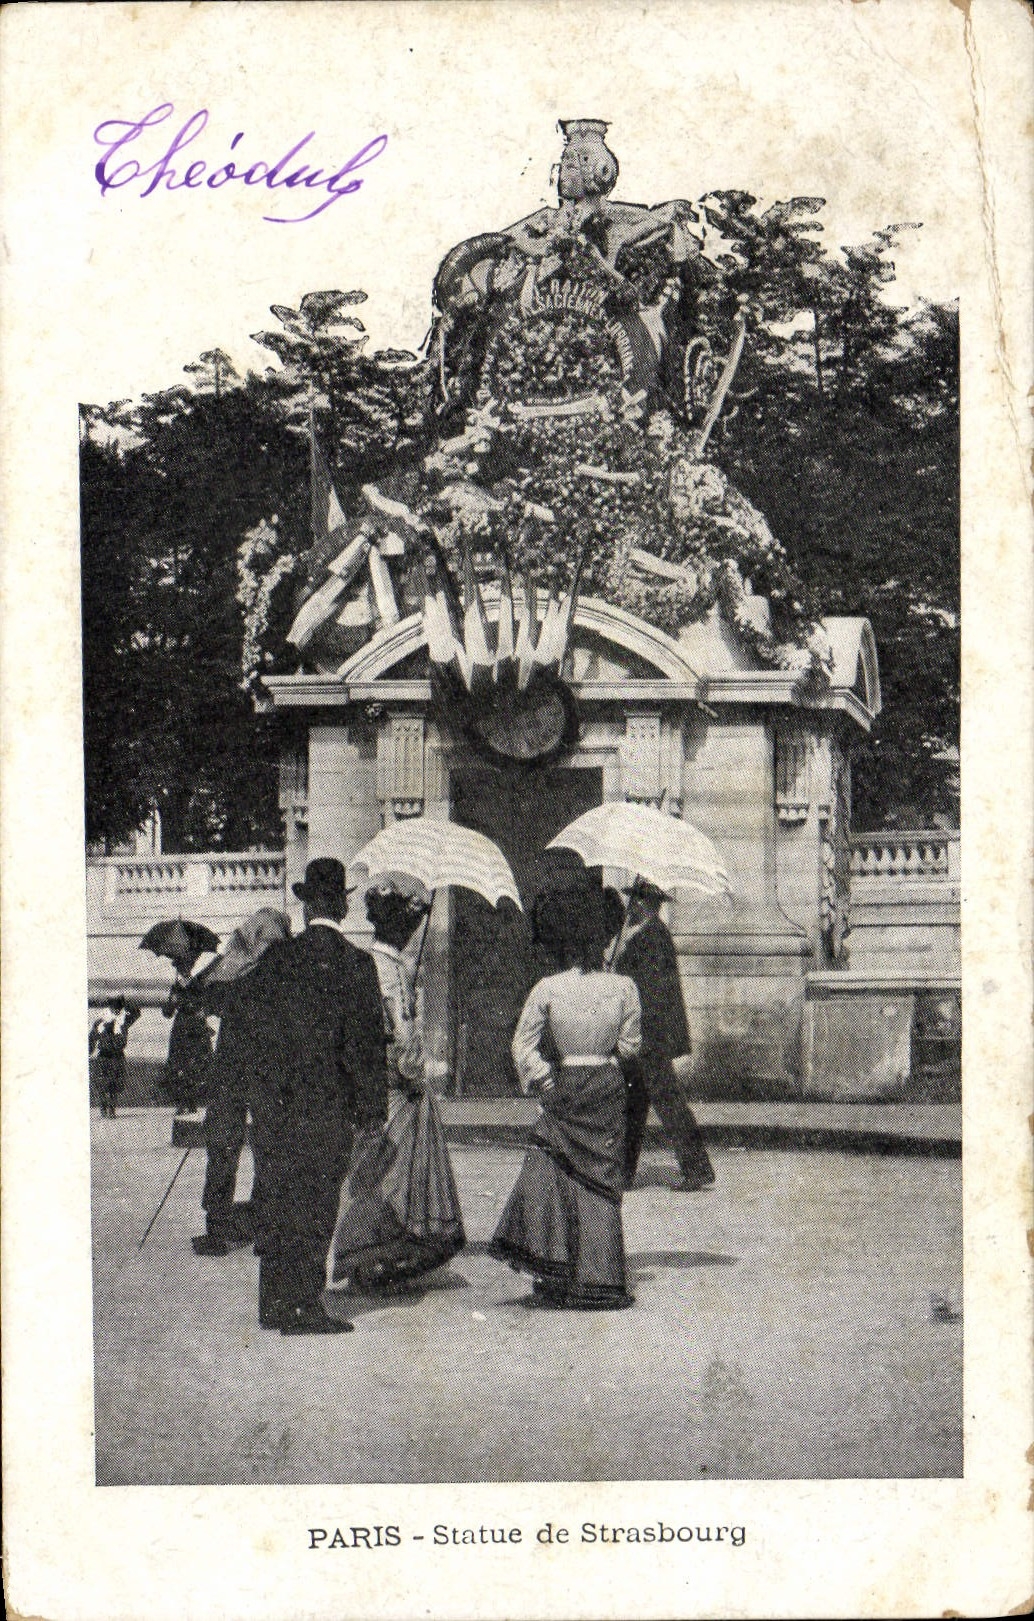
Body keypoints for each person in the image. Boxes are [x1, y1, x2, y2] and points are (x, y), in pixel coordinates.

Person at [246, 858, 388, 1335]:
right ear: (343, 905)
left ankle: (272, 1303)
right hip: (327, 1103)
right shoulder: (356, 964)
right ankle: (305, 1304)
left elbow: (254, 1032)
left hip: (275, 1102)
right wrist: (372, 1108)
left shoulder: (275, 960)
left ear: (307, 906)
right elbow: (365, 1046)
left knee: (277, 1193)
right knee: (315, 1201)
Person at [490, 885, 642, 1310]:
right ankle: (599, 1274)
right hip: (606, 1086)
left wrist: (544, 1080)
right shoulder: (625, 988)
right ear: (606, 936)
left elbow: (523, 1045)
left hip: (567, 1082)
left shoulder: (548, 987)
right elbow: (630, 1047)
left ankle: (557, 1267)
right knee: (601, 1182)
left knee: (559, 1173)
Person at [190, 908, 292, 1257]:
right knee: (265, 1145)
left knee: (225, 1146)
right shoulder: (281, 973)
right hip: (264, 1069)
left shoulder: (230, 968)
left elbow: (204, 999)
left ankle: (218, 1226)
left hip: (234, 1069)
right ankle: (261, 1225)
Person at [613, 875, 715, 1192]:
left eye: (637, 900)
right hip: (647, 1036)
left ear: (646, 904)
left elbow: (650, 993)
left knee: (667, 1103)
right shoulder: (644, 934)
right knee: (635, 1104)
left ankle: (696, 1169)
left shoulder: (652, 936)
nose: (631, 905)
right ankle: (624, 1173)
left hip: (650, 1037)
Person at [363, 883, 432, 1094]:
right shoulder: (387, 966)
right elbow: (401, 1031)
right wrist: (418, 1067)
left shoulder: (380, 960)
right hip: (392, 1080)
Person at [160, 952, 214, 1115]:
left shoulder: (198, 984)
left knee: (195, 1064)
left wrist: (201, 1010)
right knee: (179, 1064)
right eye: (181, 968)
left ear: (190, 968)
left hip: (196, 1028)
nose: (184, 971)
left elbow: (206, 1004)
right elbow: (167, 1013)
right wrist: (171, 1002)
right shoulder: (175, 987)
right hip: (181, 1029)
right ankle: (183, 1101)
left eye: (187, 967)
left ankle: (192, 1101)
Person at [89, 996, 140, 1117]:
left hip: (117, 1055)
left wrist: (126, 1002)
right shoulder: (101, 1021)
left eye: (118, 1009)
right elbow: (92, 1037)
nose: (116, 1011)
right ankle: (103, 1107)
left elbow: (136, 1012)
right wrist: (89, 1050)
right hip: (104, 1055)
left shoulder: (123, 1020)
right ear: (110, 1008)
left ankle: (112, 1109)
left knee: (114, 1085)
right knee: (102, 1084)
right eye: (114, 1009)